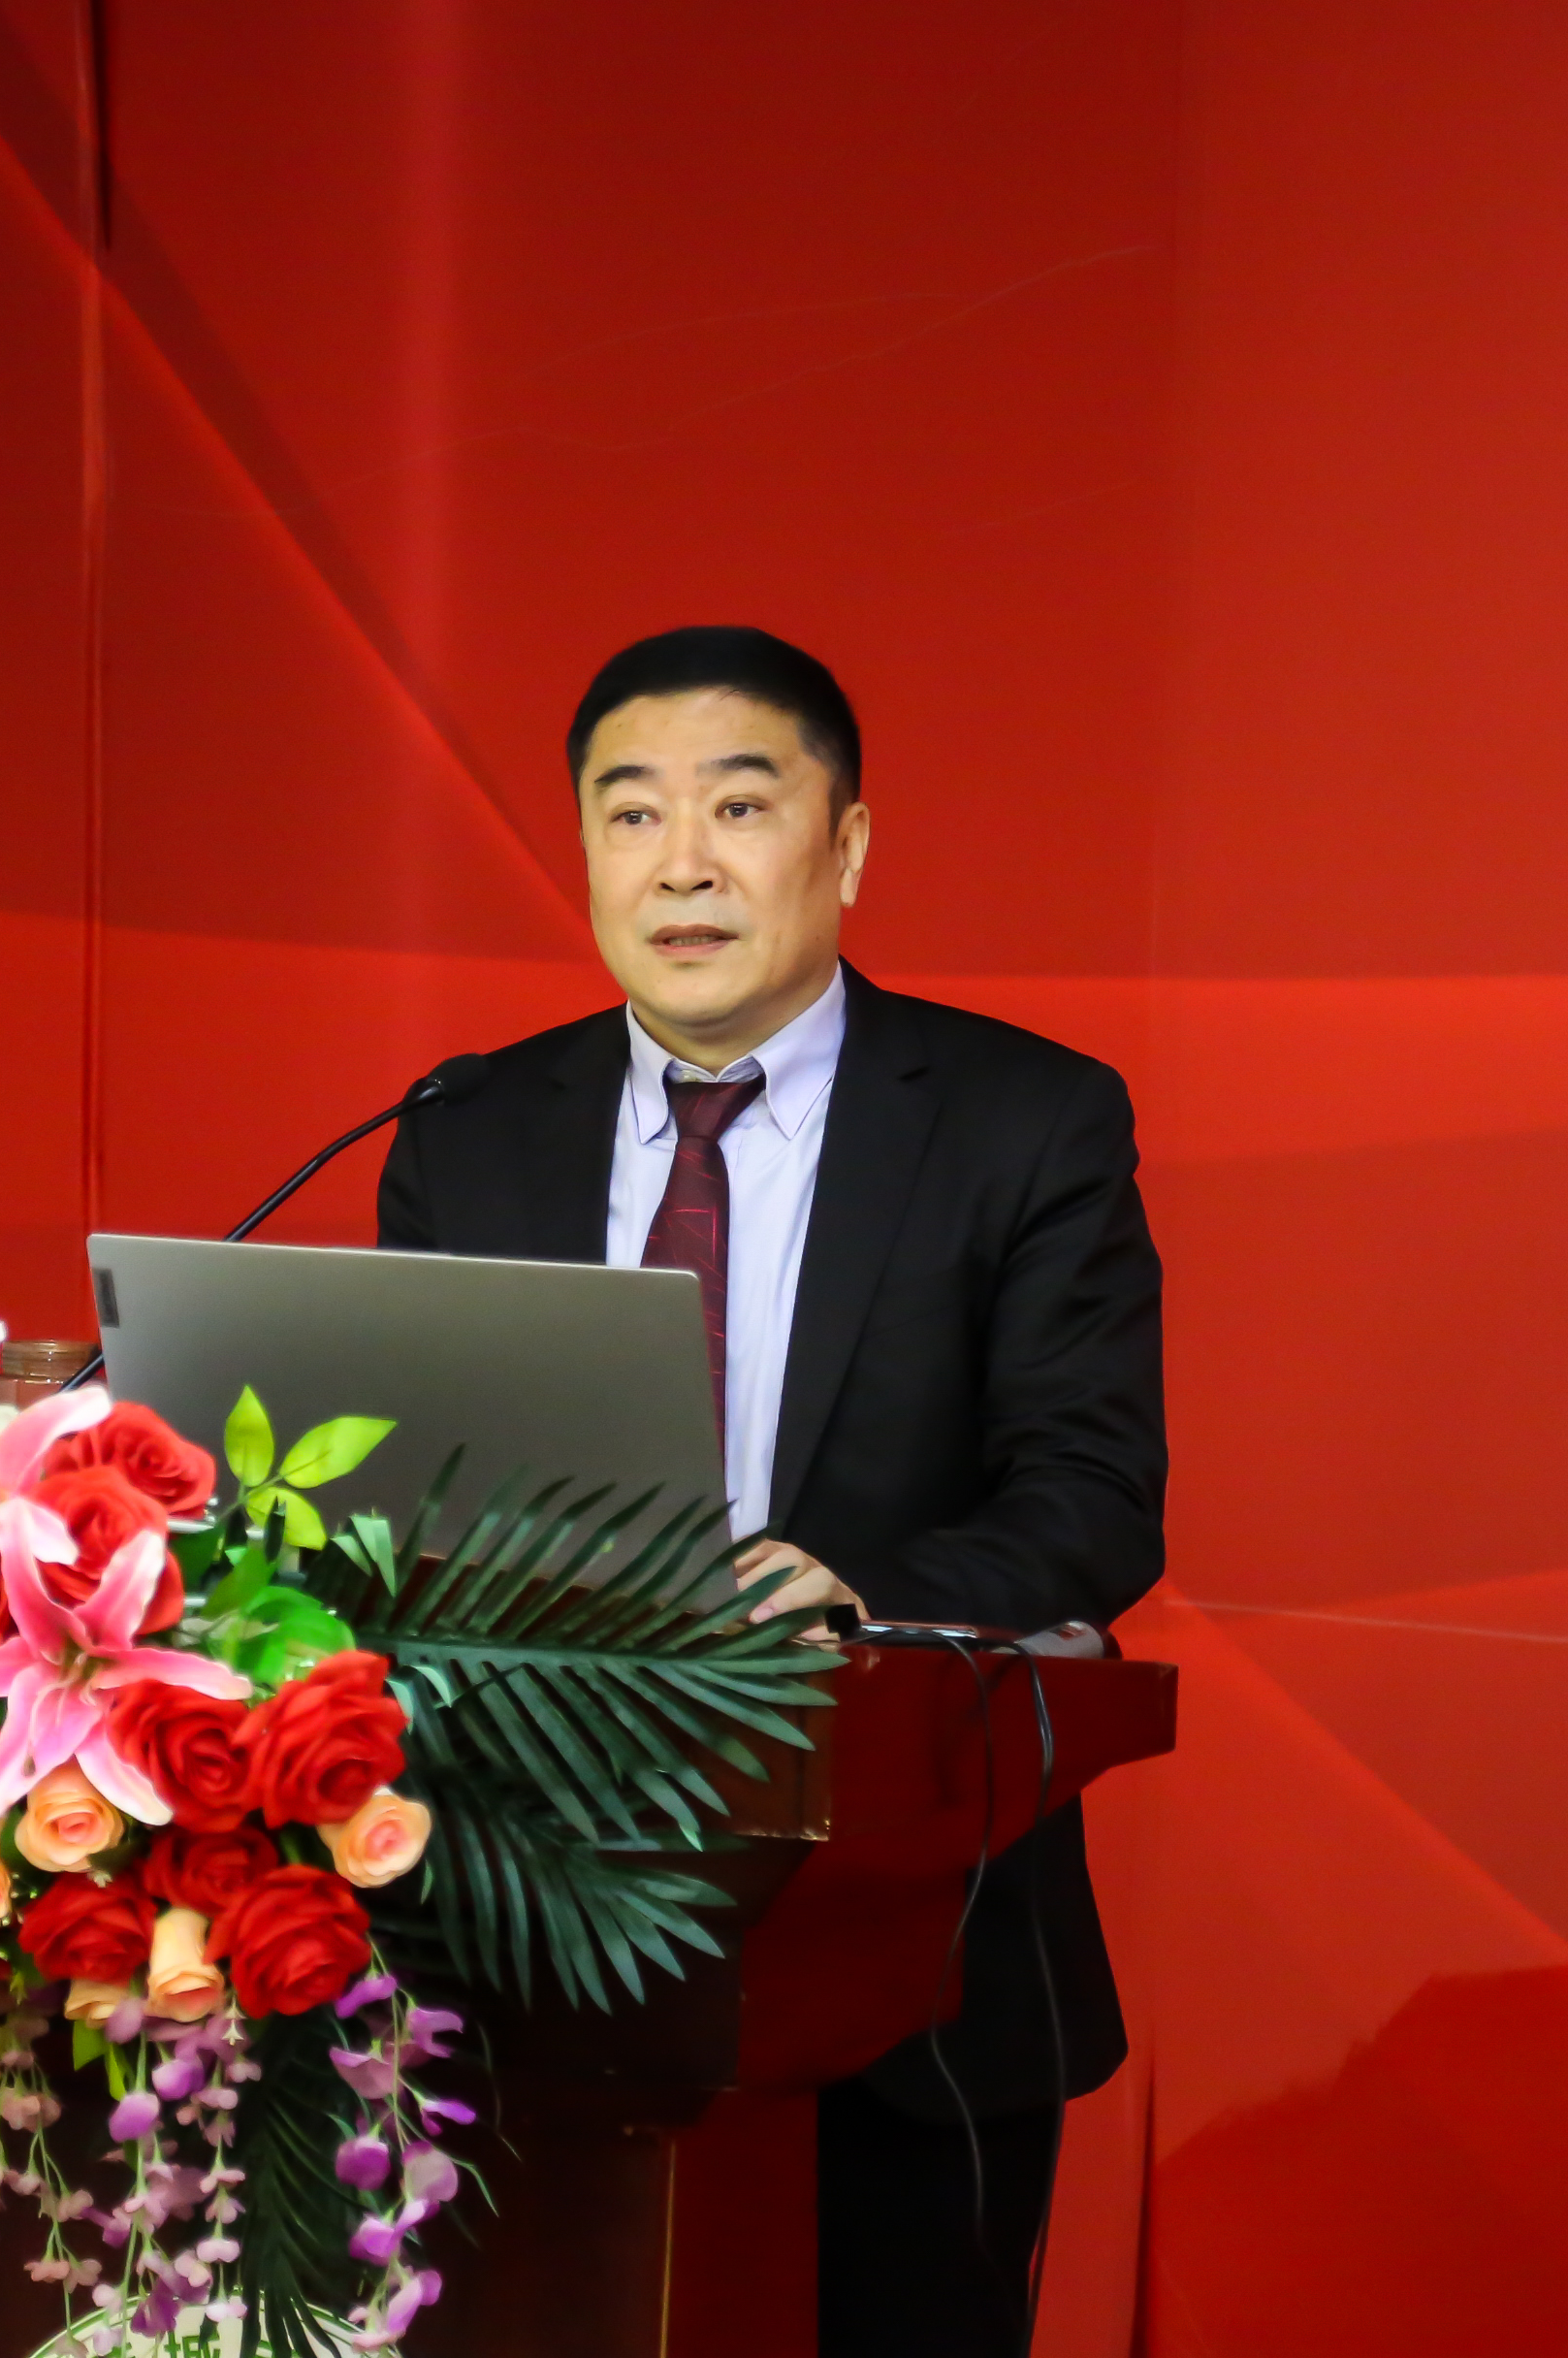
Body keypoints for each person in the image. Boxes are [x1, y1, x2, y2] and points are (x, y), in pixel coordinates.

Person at [376, 624, 1167, 2355]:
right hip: (509, 1944)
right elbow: (404, 1505)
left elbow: (1095, 1493)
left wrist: (866, 1598)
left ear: (848, 844)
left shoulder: (1024, 1119)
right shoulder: (469, 1127)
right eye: (631, 813)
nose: (682, 864)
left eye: (739, 807)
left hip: (909, 1951)